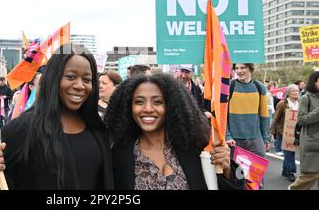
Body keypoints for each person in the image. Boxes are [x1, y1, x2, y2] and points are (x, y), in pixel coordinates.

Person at [0, 44, 114, 190]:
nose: (80, 85)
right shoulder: (23, 130)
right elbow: (5, 183)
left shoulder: (99, 130)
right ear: (53, 78)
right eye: (71, 77)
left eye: (87, 80)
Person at [104, 73, 244, 190]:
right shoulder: (117, 155)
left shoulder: (197, 147)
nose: (147, 108)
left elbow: (238, 183)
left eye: (157, 102)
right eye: (139, 102)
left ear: (171, 106)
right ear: (128, 107)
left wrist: (228, 170)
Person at [226, 63, 270, 188]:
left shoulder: (259, 87)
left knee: (256, 178)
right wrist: (227, 135)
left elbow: (264, 115)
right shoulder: (230, 86)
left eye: (243, 68)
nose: (239, 71)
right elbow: (222, 114)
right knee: (237, 176)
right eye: (237, 68)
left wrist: (265, 138)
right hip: (234, 140)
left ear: (250, 69)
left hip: (255, 139)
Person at [289, 71, 319, 190]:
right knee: (308, 177)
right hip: (313, 145)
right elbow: (301, 120)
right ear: (314, 82)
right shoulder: (306, 98)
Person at [270, 84, 299, 182]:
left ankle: (285, 170)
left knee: (290, 151)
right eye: (293, 91)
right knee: (289, 152)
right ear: (288, 93)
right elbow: (276, 118)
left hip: (295, 132)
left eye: (297, 90)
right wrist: (272, 131)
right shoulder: (283, 103)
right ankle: (291, 172)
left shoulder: (299, 103)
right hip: (283, 132)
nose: (295, 92)